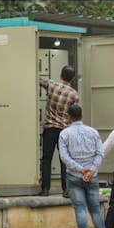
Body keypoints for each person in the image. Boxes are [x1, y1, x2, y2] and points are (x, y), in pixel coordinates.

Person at [59, 104, 110, 228]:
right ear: (81, 115)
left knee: (80, 208)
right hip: (92, 177)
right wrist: (91, 170)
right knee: (95, 208)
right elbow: (100, 153)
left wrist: (81, 170)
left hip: (74, 176)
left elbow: (64, 157)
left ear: (69, 117)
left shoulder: (64, 134)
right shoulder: (93, 132)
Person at [39, 65, 80, 197]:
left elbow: (37, 79)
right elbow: (75, 114)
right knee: (64, 160)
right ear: (72, 78)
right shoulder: (74, 95)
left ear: (61, 74)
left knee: (46, 159)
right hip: (64, 131)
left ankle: (45, 189)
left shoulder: (51, 85)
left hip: (50, 128)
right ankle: (66, 189)